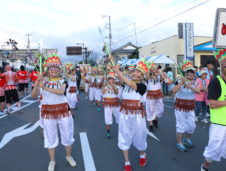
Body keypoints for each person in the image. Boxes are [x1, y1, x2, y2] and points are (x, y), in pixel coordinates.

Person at [31, 54, 76, 171]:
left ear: (59, 70)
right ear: (47, 70)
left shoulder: (63, 80)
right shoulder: (42, 81)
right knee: (50, 137)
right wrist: (37, 82)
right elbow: (33, 96)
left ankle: (68, 156)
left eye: (56, 68)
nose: (54, 70)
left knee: (67, 135)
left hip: (63, 112)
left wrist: (44, 87)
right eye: (51, 68)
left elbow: (61, 92)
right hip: (48, 113)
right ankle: (52, 160)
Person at [112, 59, 148, 171]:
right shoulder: (125, 85)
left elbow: (129, 82)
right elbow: (122, 80)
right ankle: (127, 162)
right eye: (134, 71)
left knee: (140, 135)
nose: (135, 73)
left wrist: (118, 71)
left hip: (137, 116)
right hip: (125, 114)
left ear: (142, 77)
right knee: (123, 135)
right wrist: (114, 64)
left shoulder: (142, 86)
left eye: (139, 73)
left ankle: (142, 154)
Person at [201, 55, 226, 171]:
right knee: (213, 150)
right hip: (219, 124)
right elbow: (212, 104)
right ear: (221, 66)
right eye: (224, 64)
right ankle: (205, 166)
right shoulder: (216, 82)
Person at [172, 61, 200, 152]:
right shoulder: (179, 81)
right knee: (181, 126)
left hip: (190, 107)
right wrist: (181, 83)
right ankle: (179, 142)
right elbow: (173, 91)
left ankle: (186, 139)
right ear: (185, 74)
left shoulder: (195, 82)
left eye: (192, 74)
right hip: (180, 107)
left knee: (192, 126)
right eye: (189, 74)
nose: (191, 75)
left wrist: (189, 86)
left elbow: (198, 91)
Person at [146, 62, 166, 132]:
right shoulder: (149, 77)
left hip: (158, 95)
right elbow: (147, 77)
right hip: (150, 96)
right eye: (153, 69)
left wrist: (160, 72)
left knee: (160, 109)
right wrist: (149, 69)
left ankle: (155, 118)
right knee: (150, 109)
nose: (154, 70)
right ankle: (150, 125)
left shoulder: (158, 77)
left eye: (155, 68)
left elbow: (164, 79)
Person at [102, 70, 120, 139]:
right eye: (109, 79)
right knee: (108, 118)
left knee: (118, 117)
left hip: (115, 104)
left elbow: (116, 92)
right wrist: (104, 86)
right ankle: (108, 131)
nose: (111, 80)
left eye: (112, 79)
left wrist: (113, 86)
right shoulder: (105, 85)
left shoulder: (117, 86)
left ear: (114, 80)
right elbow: (103, 93)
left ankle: (120, 130)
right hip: (107, 104)